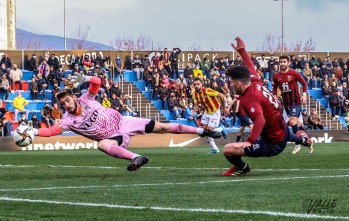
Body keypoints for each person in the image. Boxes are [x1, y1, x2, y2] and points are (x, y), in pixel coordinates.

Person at [30, 77, 222, 171]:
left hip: (125, 122)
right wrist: (32, 131)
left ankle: (202, 131)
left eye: (67, 100)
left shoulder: (86, 98)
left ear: (73, 97)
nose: (66, 103)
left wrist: (86, 79)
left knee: (162, 126)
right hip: (113, 138)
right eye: (62, 103)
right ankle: (137, 158)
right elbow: (52, 131)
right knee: (102, 145)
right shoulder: (68, 120)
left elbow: (97, 82)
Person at [221, 37, 313, 177]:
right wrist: (242, 51)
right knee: (284, 132)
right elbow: (250, 66)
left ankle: (242, 167)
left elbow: (260, 120)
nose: (231, 86)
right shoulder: (255, 81)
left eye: (232, 84)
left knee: (228, 150)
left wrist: (249, 142)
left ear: (239, 84)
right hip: (281, 128)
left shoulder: (249, 99)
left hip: (273, 144)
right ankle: (305, 140)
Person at [273, 54, 309, 155]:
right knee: (297, 123)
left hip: (295, 102)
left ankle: (298, 144)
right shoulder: (277, 76)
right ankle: (308, 140)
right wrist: (274, 96)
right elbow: (275, 88)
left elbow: (304, 84)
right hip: (286, 104)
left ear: (288, 63)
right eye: (281, 62)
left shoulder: (294, 73)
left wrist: (304, 95)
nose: (282, 64)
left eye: (284, 62)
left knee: (292, 122)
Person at [192, 77, 229, 154]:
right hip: (206, 112)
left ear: (201, 84)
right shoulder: (194, 94)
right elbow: (196, 104)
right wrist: (195, 109)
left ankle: (221, 129)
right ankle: (215, 149)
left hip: (214, 112)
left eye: (198, 84)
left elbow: (221, 95)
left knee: (209, 131)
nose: (197, 86)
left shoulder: (207, 91)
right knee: (203, 132)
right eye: (195, 85)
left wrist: (224, 108)